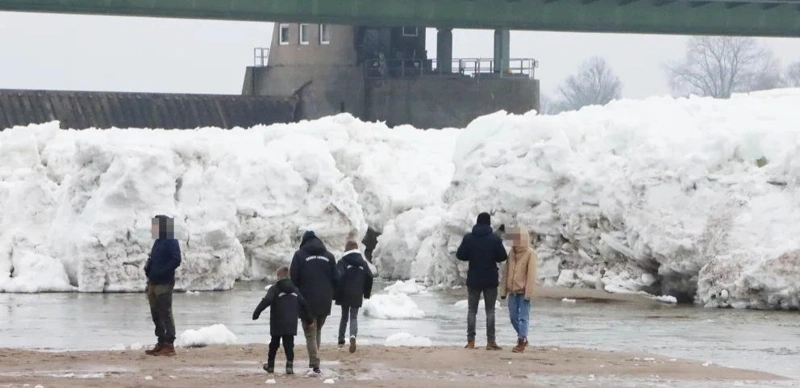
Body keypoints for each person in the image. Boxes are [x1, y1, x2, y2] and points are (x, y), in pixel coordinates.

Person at [456, 212, 508, 350]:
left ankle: (471, 341)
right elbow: (502, 257)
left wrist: (472, 255)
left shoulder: (469, 238)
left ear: (477, 222)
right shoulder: (494, 239)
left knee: (472, 311)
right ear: (489, 223)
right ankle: (491, 342)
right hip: (490, 279)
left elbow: (460, 255)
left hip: (474, 278)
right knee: (490, 311)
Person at [289, 230, 337, 375]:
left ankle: (314, 364)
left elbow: (294, 278)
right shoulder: (329, 256)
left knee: (310, 333)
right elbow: (336, 278)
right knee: (317, 331)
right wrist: (330, 293)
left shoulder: (299, 255)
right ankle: (315, 360)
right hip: (324, 300)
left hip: (306, 300)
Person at [252, 266, 314, 375]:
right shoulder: (295, 289)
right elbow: (304, 304)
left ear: (278, 276)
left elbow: (266, 301)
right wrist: (309, 319)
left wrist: (256, 313)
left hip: (277, 321)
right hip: (291, 321)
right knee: (289, 344)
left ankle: (270, 366)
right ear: (289, 276)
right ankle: (289, 366)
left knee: (274, 344)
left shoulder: (274, 288)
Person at [143, 215, 182, 357]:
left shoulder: (171, 240)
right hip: (153, 282)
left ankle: (169, 344)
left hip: (164, 282)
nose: (153, 228)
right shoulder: (158, 241)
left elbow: (176, 259)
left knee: (165, 312)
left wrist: (162, 271)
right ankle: (161, 342)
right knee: (156, 313)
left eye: (155, 225)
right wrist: (149, 269)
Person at [499, 226, 538, 353]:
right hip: (512, 291)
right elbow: (506, 272)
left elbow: (531, 275)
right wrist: (503, 290)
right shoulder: (511, 253)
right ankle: (523, 336)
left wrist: (529, 293)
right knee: (513, 317)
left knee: (523, 317)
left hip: (523, 291)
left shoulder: (530, 254)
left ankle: (521, 340)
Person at [334, 241, 373, 353]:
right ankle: (352, 336)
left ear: (346, 249)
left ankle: (341, 340)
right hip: (357, 293)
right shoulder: (363, 263)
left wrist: (335, 293)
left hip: (345, 293)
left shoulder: (342, 262)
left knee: (344, 317)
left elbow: (338, 276)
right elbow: (370, 276)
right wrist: (366, 293)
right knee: (354, 317)